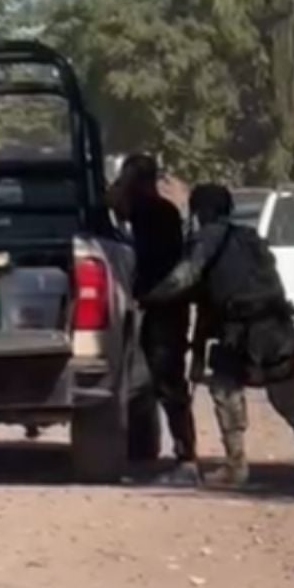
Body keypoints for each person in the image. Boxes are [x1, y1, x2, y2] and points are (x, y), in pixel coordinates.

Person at [142, 183, 294, 488]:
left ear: (201, 211)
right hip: (277, 325)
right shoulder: (249, 238)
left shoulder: (207, 239)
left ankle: (236, 466)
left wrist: (148, 298)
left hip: (243, 329)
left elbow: (185, 277)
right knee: (287, 396)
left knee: (224, 389)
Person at [109, 154, 198, 483]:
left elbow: (114, 203)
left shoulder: (154, 212)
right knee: (149, 383)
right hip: (158, 305)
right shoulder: (157, 212)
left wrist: (123, 184)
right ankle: (156, 451)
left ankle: (186, 457)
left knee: (168, 382)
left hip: (164, 307)